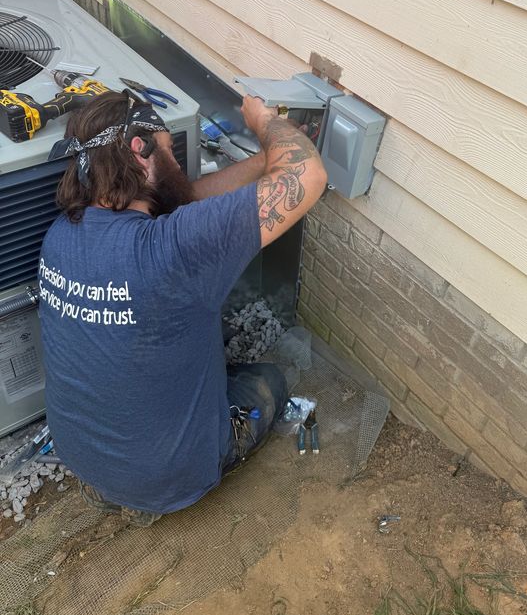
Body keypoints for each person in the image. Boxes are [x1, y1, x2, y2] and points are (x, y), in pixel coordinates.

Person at [38, 89, 327, 526]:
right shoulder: (172, 248)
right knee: (267, 379)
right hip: (166, 479)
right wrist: (265, 121)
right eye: (169, 151)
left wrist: (265, 161)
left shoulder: (60, 236)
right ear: (140, 151)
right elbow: (308, 176)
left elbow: (185, 201)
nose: (176, 163)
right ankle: (206, 460)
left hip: (84, 455)